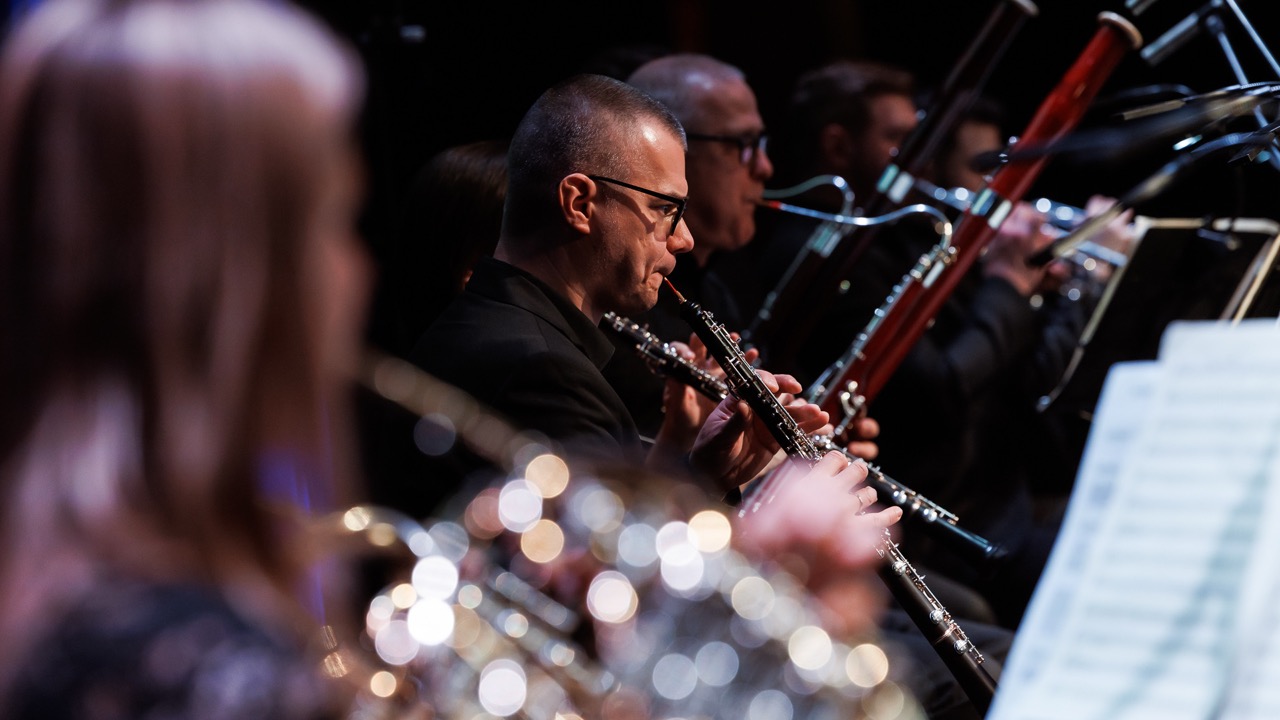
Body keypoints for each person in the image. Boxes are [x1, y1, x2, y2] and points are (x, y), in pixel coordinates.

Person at [0, 0, 373, 716]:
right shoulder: (204, 675)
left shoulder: (62, 590)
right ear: (233, 284)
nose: (356, 270)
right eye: (336, 220)